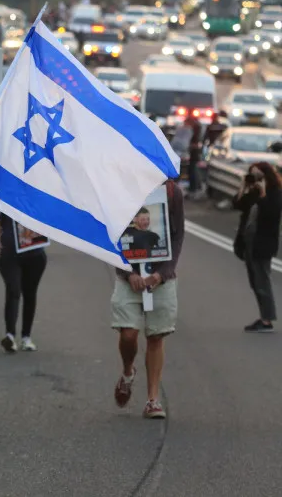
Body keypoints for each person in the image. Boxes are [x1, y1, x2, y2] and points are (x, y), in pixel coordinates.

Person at [112, 179, 184, 419]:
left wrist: (161, 275)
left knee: (156, 336)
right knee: (128, 333)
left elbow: (177, 237)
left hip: (161, 278)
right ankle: (127, 371)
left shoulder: (172, 191)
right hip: (128, 278)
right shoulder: (120, 187)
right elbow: (111, 236)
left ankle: (153, 400)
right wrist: (127, 273)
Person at [0, 205, 46, 353]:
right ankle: (10, 335)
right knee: (13, 290)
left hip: (35, 253)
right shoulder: (9, 192)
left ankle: (26, 337)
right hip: (10, 253)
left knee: (30, 293)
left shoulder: (38, 194)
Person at [236, 162, 282, 332]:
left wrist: (263, 193)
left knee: (262, 282)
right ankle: (265, 317)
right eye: (252, 175)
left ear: (267, 176)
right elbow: (238, 205)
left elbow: (272, 213)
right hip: (250, 244)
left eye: (258, 176)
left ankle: (267, 320)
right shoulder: (253, 192)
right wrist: (244, 187)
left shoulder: (275, 193)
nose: (255, 179)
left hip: (263, 244)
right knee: (255, 282)